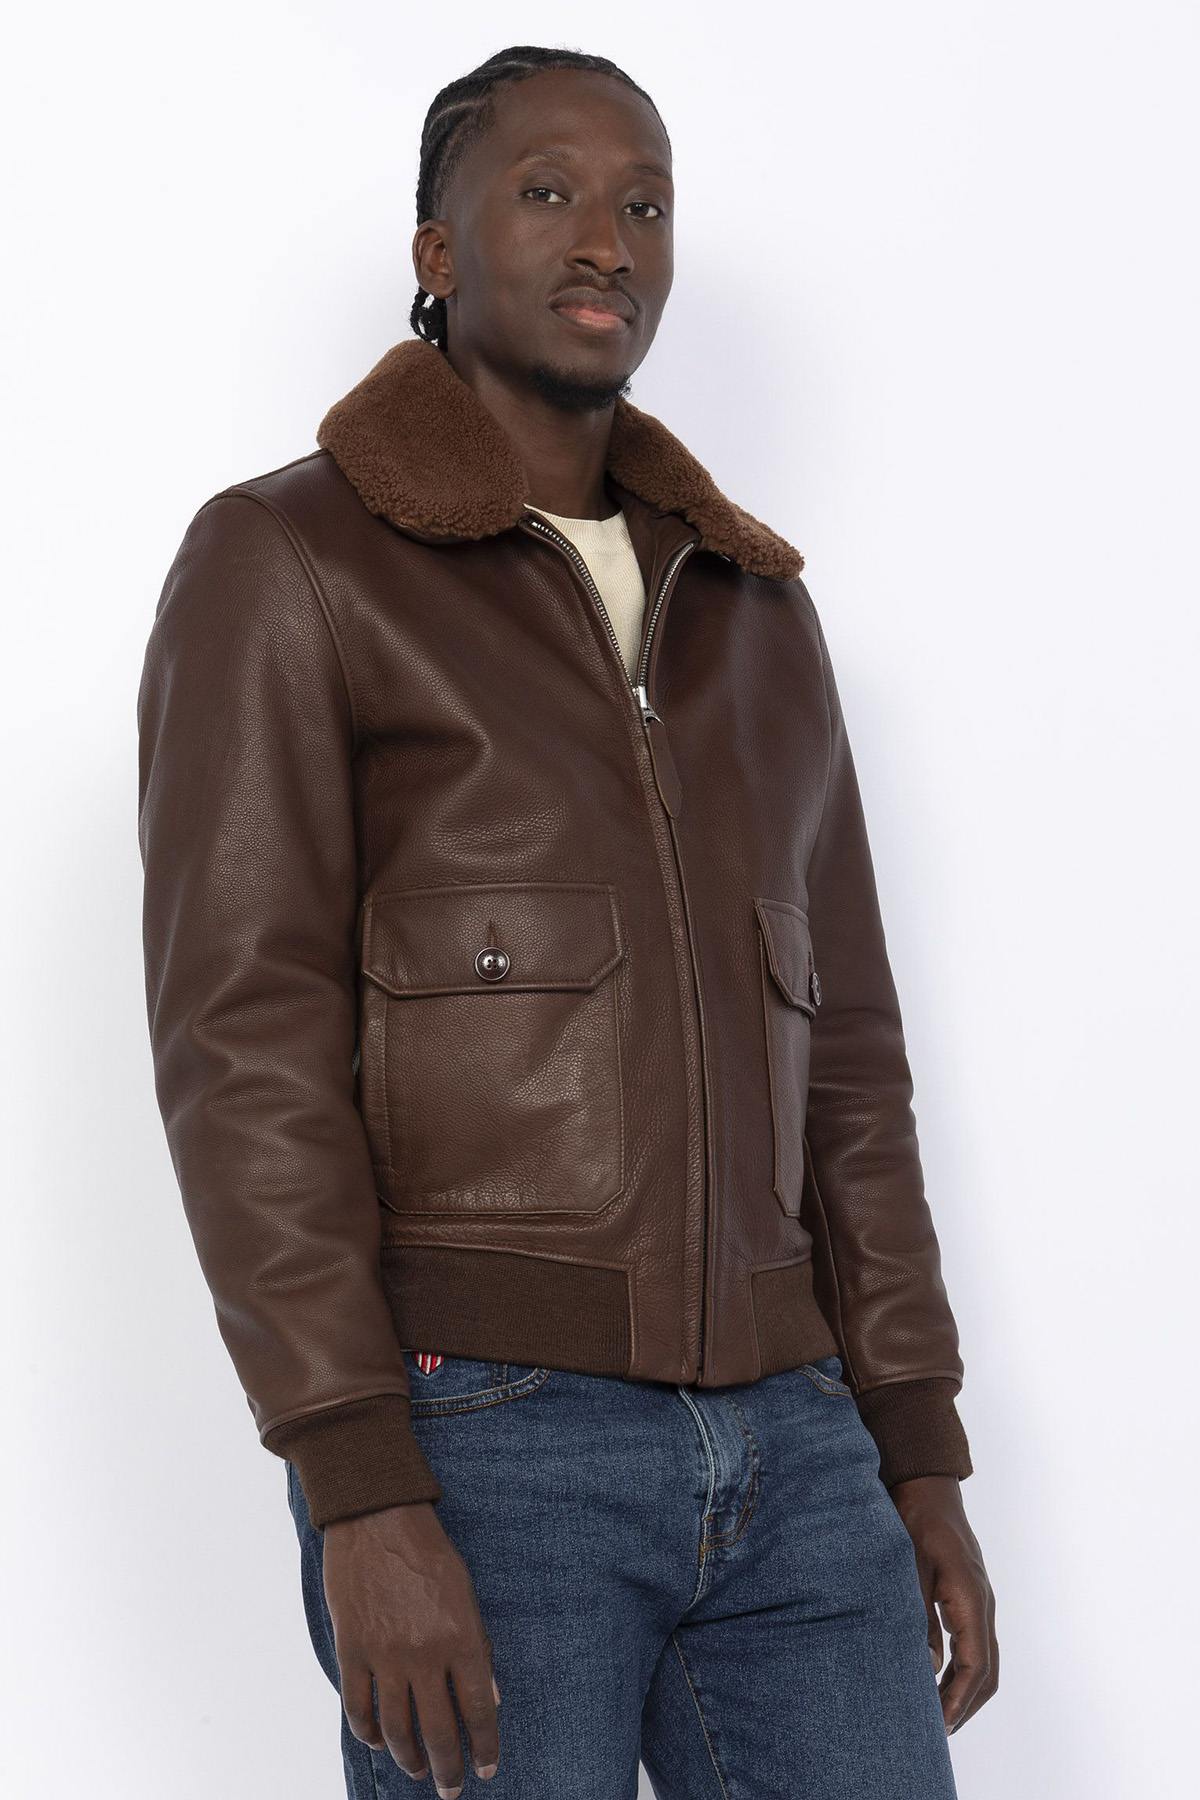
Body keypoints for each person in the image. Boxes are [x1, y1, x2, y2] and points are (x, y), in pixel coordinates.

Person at [137, 43, 997, 1800]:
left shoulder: (757, 611)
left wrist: (917, 1448)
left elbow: (850, 1065)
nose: (608, 239)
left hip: (800, 1441)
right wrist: (358, 1483)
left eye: (645, 205)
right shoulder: (290, 563)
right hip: (484, 1436)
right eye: (548, 193)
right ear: (438, 250)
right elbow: (244, 1050)